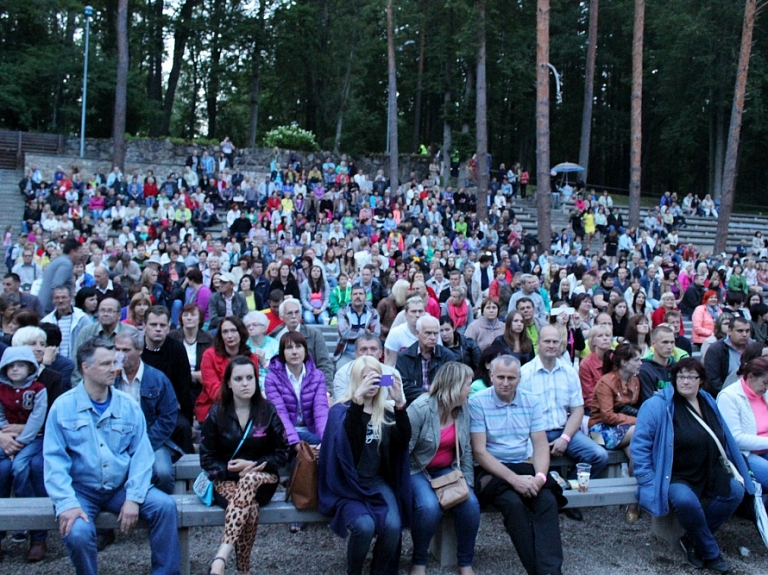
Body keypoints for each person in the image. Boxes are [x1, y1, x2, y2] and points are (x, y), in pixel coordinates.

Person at [43, 337, 181, 575]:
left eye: (113, 362)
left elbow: (141, 454)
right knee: (76, 532)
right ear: (86, 368)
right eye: (105, 363)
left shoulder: (127, 405)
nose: (114, 368)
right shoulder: (62, 407)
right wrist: (66, 503)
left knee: (165, 506)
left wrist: (134, 497)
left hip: (120, 487)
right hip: (81, 489)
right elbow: (54, 460)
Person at [631, 358, 751, 574]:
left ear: (701, 380)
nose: (685, 381)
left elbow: (725, 437)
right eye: (681, 376)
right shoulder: (657, 405)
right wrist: (646, 479)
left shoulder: (707, 401)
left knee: (735, 492)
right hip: (674, 473)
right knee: (686, 501)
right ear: (674, 379)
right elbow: (640, 445)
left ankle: (691, 540)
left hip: (708, 469)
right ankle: (712, 553)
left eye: (691, 377)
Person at [470, 355, 565, 575]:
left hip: (524, 466)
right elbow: (480, 451)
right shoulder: (478, 403)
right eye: (500, 377)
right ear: (491, 376)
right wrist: (514, 480)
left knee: (547, 501)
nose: (505, 382)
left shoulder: (532, 401)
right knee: (513, 505)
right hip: (492, 472)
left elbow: (540, 445)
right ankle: (542, 572)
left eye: (511, 378)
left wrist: (540, 478)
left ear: (519, 378)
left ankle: (550, 571)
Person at [318, 356, 410, 575]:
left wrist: (399, 405)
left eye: (375, 377)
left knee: (393, 527)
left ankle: (379, 571)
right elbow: (345, 441)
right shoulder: (340, 411)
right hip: (347, 484)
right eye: (365, 377)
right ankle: (355, 571)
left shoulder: (384, 412)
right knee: (364, 526)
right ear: (355, 380)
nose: (371, 383)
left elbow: (402, 440)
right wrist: (358, 402)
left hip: (375, 481)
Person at [200, 356, 290, 575]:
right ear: (229, 383)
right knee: (249, 510)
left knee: (250, 480)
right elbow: (207, 460)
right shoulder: (217, 413)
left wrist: (254, 465)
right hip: (227, 480)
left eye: (250, 377)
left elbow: (283, 453)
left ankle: (221, 557)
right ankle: (243, 571)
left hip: (263, 480)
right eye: (238, 378)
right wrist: (233, 471)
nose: (245, 383)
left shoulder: (267, 410)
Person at [519, 325, 608, 521]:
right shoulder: (524, 374)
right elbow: (520, 414)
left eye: (555, 342)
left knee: (599, 456)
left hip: (564, 429)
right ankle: (549, 499)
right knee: (528, 463)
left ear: (561, 345)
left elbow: (577, 410)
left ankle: (566, 492)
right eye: (547, 341)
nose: (551, 345)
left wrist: (565, 438)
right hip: (534, 434)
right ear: (538, 344)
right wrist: (539, 440)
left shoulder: (568, 373)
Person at [407, 362, 479, 575]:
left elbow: (465, 450)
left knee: (470, 504)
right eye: (468, 384)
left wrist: (467, 483)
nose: (471, 389)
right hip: (416, 469)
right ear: (455, 386)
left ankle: (465, 562)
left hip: (447, 468)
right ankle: (419, 561)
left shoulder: (463, 408)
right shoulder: (420, 409)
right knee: (429, 507)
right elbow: (403, 451)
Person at [113, 331, 180, 495]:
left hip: (150, 440)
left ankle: (163, 508)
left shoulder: (157, 378)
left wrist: (144, 443)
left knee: (163, 473)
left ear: (140, 350)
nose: (120, 355)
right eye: (117, 349)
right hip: (115, 440)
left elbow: (168, 418)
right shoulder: (110, 378)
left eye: (126, 350)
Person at [0, 346, 48, 562]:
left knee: (26, 467)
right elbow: (0, 415)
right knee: (3, 469)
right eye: (11, 366)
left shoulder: (39, 389)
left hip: (32, 439)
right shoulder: (1, 388)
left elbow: (37, 420)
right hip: (6, 438)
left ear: (30, 367)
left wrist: (18, 443)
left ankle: (36, 531)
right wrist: (5, 436)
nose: (15, 370)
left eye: (20, 365)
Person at [588, 343, 643, 522]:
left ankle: (633, 502)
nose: (641, 363)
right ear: (624, 362)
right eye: (637, 359)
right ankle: (634, 500)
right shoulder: (606, 382)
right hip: (597, 432)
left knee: (637, 452)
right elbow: (608, 416)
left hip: (624, 430)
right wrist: (638, 421)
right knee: (639, 433)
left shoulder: (635, 380)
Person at [141, 306, 195, 455]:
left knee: (183, 427)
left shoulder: (177, 349)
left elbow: (185, 387)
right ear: (144, 326)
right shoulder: (136, 348)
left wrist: (189, 422)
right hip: (140, 406)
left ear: (168, 327)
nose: (158, 329)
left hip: (168, 408)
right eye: (153, 325)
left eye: (162, 325)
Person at [264, 331, 329, 451]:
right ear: (282, 352)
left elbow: (321, 411)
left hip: (312, 430)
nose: (294, 352)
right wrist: (295, 443)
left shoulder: (317, 376)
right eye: (289, 348)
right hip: (284, 432)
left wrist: (325, 441)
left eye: (298, 346)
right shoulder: (272, 378)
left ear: (305, 350)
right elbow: (280, 413)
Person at [717, 356, 768, 495]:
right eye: (765, 383)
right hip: (744, 454)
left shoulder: (764, 393)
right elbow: (736, 439)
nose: (766, 387)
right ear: (750, 377)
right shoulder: (729, 397)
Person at [197, 316, 257, 423]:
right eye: (225, 332)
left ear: (241, 332)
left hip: (246, 406)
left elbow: (253, 387)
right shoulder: (209, 355)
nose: (229, 336)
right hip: (214, 406)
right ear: (221, 335)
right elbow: (214, 392)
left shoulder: (252, 357)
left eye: (233, 331)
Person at [271, 298, 335, 387]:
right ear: (281, 316)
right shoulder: (275, 335)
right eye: (289, 313)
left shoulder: (314, 334)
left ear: (300, 315)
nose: (293, 316)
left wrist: (327, 391)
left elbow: (324, 364)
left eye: (296, 312)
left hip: (311, 384)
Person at [397, 315, 457, 405]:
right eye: (428, 333)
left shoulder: (448, 356)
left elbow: (452, 383)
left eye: (435, 333)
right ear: (417, 333)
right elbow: (402, 385)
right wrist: (427, 395)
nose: (433, 337)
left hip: (441, 404)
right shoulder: (404, 356)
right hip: (414, 404)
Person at [332, 334, 399, 402]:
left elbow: (396, 403)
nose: (369, 353)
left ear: (381, 353)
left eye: (373, 349)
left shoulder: (391, 373)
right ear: (355, 353)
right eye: (363, 349)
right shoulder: (343, 373)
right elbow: (341, 404)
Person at [169, 303, 213, 401]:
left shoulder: (209, 339)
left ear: (200, 318)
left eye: (193, 315)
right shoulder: (172, 337)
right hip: (176, 386)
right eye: (185, 315)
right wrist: (192, 374)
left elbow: (211, 368)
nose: (189, 318)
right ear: (181, 319)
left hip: (201, 386)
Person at [704, 316, 752, 396]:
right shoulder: (716, 350)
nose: (744, 334)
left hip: (752, 393)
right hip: (725, 394)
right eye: (740, 331)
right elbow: (712, 381)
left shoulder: (753, 347)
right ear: (729, 331)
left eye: (747, 331)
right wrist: (729, 395)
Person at [335, 285, 381, 368]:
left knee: (379, 374)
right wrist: (365, 331)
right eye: (355, 294)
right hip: (347, 354)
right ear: (351, 296)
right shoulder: (343, 311)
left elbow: (375, 334)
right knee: (340, 371)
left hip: (368, 354)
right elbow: (344, 333)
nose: (358, 296)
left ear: (365, 297)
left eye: (361, 294)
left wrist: (351, 330)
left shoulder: (373, 312)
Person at [41, 284, 90, 362]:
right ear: (53, 300)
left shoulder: (82, 318)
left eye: (64, 297)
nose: (60, 301)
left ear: (71, 298)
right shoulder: (46, 321)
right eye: (57, 298)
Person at [37, 238, 82, 314]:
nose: (80, 256)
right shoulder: (66, 264)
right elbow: (57, 286)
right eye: (79, 252)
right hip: (50, 308)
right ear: (73, 252)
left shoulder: (60, 260)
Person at [579, 325, 613, 414]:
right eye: (600, 336)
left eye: (607, 335)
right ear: (593, 341)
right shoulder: (586, 364)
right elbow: (589, 396)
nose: (605, 338)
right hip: (594, 409)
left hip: (616, 406)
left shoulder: (617, 359)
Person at [638, 324, 677, 403]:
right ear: (653, 344)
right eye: (665, 342)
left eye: (672, 342)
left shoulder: (678, 367)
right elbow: (650, 401)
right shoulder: (644, 369)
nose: (669, 347)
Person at [242, 310, 279, 387]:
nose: (251, 328)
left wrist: (264, 362)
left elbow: (280, 371)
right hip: (249, 385)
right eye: (248, 326)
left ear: (264, 328)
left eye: (255, 325)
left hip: (273, 384)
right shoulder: (242, 345)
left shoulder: (275, 345)